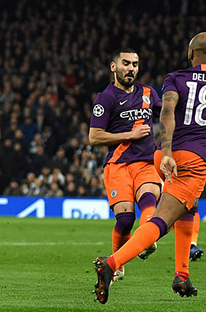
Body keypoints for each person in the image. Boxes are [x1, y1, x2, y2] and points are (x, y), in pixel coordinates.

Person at [93, 32, 206, 302]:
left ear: (190, 54)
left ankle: (182, 274)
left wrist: (167, 152)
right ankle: (111, 263)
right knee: (162, 220)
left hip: (163, 155)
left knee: (189, 208)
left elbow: (167, 112)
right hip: (193, 164)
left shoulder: (175, 78)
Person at [88, 48, 163, 281]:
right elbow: (94, 137)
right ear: (114, 67)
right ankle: (119, 263)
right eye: (126, 63)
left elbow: (169, 117)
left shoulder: (149, 93)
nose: (131, 68)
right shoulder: (106, 98)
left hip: (146, 162)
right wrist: (129, 135)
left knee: (149, 199)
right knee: (125, 219)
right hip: (118, 165)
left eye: (135, 64)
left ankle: (146, 239)